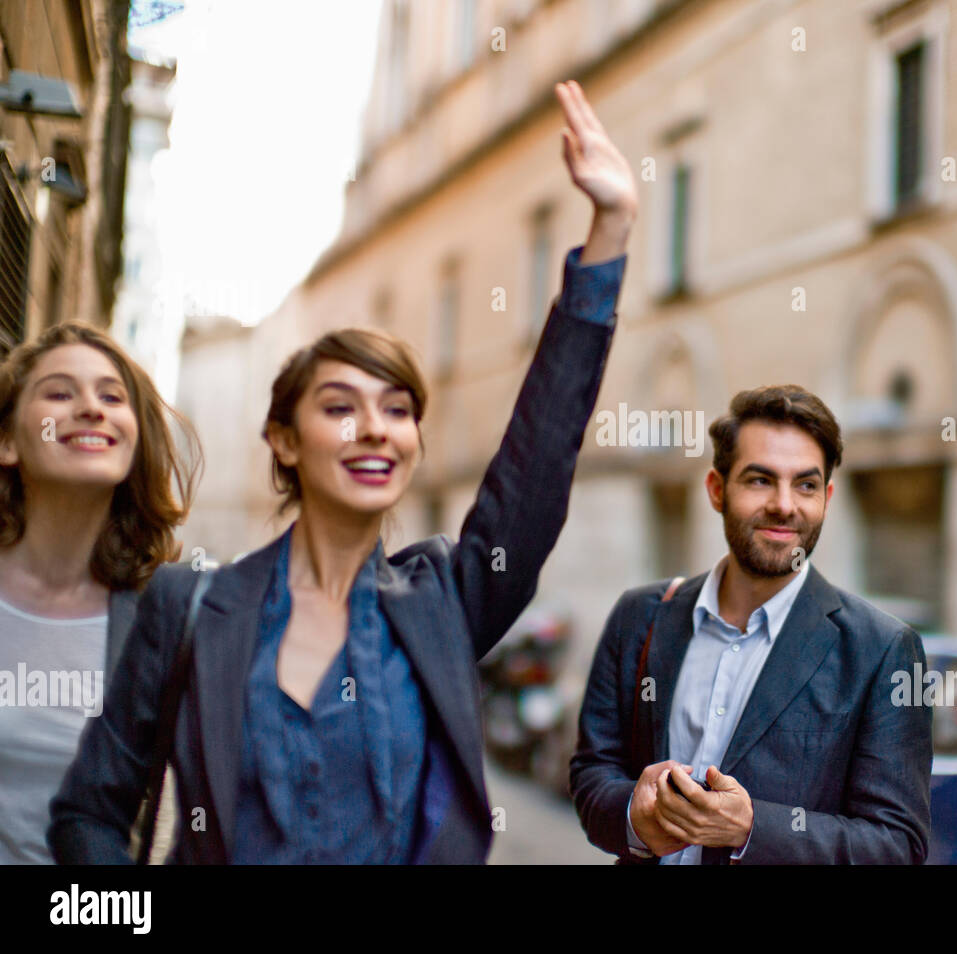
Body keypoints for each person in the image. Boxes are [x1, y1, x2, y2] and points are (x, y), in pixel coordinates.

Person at [48, 79, 636, 864]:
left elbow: (537, 464)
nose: (375, 430)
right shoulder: (189, 609)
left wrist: (611, 229)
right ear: (284, 441)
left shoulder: (443, 607)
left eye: (398, 410)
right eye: (340, 407)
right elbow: (88, 816)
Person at [570, 385, 933, 864]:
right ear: (717, 490)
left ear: (826, 497)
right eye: (760, 480)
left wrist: (751, 829)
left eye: (805, 485)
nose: (785, 504)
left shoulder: (882, 650)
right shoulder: (640, 616)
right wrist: (633, 819)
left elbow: (896, 846)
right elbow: (593, 771)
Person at [0, 321, 200, 863]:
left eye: (113, 397)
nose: (91, 408)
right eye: (59, 393)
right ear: (9, 442)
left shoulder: (175, 622)